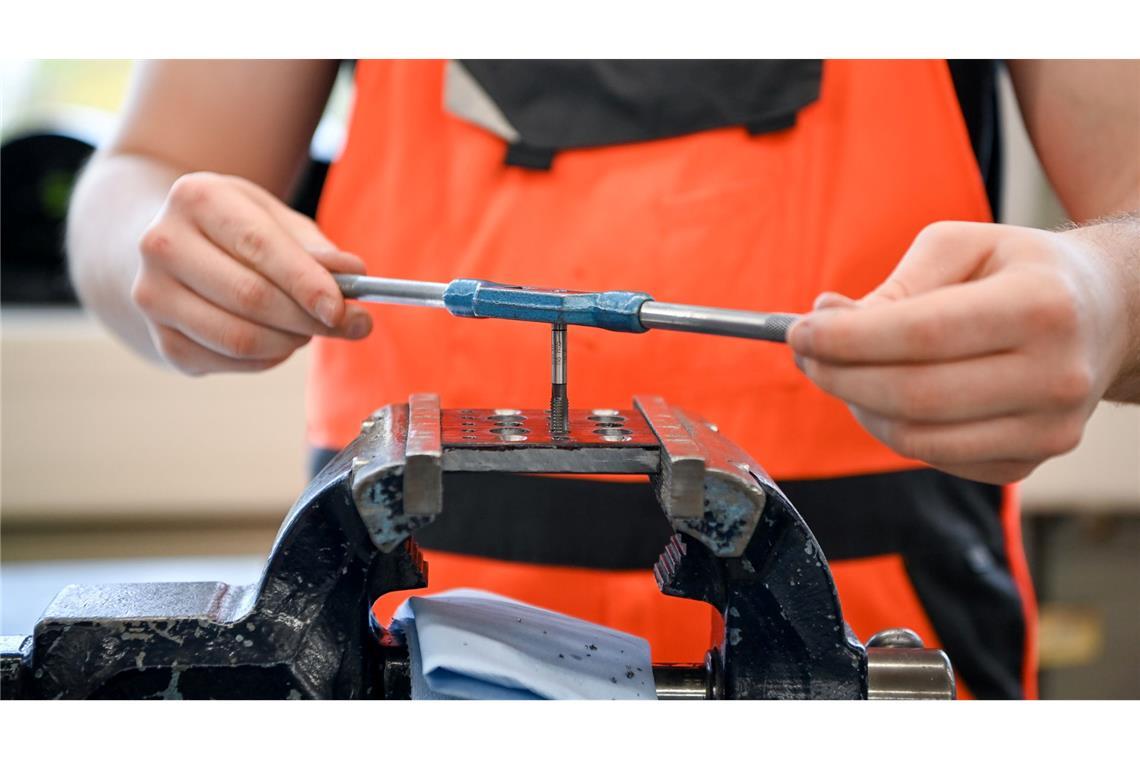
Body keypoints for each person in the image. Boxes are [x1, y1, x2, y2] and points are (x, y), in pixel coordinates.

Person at [66, 60, 1139, 699]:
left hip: (866, 669)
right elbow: (137, 176)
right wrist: (156, 245)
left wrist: (1108, 291)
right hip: (386, 665)